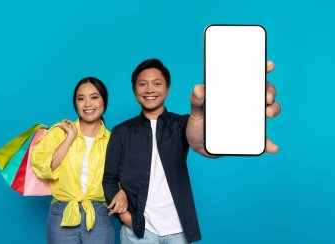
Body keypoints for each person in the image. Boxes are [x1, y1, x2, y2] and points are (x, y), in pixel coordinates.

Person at [103, 58, 281, 243]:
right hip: (138, 229)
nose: (150, 90)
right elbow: (109, 178)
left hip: (179, 230)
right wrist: (123, 216)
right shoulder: (121, 131)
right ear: (134, 89)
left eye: (157, 83)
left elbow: (202, 144)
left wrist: (232, 126)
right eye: (142, 84)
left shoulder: (182, 124)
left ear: (167, 88)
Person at [31, 77, 115, 244]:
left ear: (104, 101)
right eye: (81, 98)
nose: (88, 104)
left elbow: (120, 181)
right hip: (62, 212)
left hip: (99, 213)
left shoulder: (113, 140)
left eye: (94, 97)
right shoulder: (59, 132)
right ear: (75, 103)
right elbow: (44, 168)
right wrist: (69, 138)